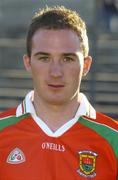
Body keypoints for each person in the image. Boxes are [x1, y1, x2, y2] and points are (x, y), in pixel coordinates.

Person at [0, 5, 118, 180]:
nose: (55, 72)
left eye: (67, 58)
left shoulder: (114, 139)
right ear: (28, 62)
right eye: (44, 58)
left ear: (85, 65)